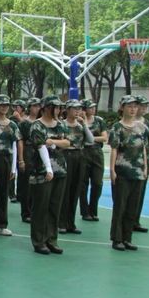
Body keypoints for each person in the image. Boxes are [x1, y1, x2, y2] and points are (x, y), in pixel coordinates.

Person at [28, 96, 70, 255]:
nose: (58, 110)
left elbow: (67, 143)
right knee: (41, 207)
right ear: (46, 108)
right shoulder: (36, 126)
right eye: (55, 107)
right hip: (42, 172)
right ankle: (39, 241)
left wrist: (52, 141)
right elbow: (40, 146)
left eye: (59, 108)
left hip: (60, 170)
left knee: (54, 207)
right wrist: (48, 168)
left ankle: (51, 239)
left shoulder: (61, 124)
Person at [108, 95, 147, 251]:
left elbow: (144, 148)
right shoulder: (117, 127)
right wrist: (112, 170)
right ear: (122, 108)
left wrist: (145, 167)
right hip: (122, 171)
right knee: (120, 206)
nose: (133, 109)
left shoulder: (142, 128)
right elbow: (114, 149)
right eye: (129, 106)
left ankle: (127, 237)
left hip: (137, 171)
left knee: (132, 207)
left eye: (135, 106)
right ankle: (117, 238)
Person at [0, 95, 20, 237]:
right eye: (1, 105)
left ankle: (1, 225)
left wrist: (14, 168)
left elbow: (15, 145)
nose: (4, 107)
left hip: (7, 159)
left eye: (6, 105)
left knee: (3, 192)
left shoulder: (12, 125)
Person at [58, 100, 92, 234]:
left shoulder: (80, 126)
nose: (77, 111)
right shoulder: (61, 124)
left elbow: (91, 140)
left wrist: (85, 125)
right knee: (64, 191)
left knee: (75, 189)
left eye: (79, 109)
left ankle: (70, 223)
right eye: (74, 108)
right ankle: (61, 222)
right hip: (66, 155)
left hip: (79, 156)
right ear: (67, 110)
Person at [79, 99, 107, 222]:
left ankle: (93, 210)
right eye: (90, 107)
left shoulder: (99, 120)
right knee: (83, 183)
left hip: (96, 153)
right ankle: (85, 212)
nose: (93, 109)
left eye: (94, 107)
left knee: (97, 183)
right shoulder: (79, 122)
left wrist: (91, 138)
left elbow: (104, 137)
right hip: (83, 152)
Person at [18, 98, 41, 223]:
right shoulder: (24, 123)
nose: (37, 108)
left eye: (38, 106)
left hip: (40, 152)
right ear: (29, 107)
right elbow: (20, 141)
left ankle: (35, 211)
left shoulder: (42, 122)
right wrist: (21, 159)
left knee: (39, 183)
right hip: (28, 151)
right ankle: (26, 212)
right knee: (26, 184)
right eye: (34, 106)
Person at [132, 96, 149, 232]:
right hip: (130, 161)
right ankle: (126, 221)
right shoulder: (128, 122)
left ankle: (136, 220)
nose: (144, 108)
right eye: (142, 105)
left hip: (144, 161)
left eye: (146, 105)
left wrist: (147, 164)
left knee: (140, 192)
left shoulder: (147, 123)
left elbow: (147, 145)